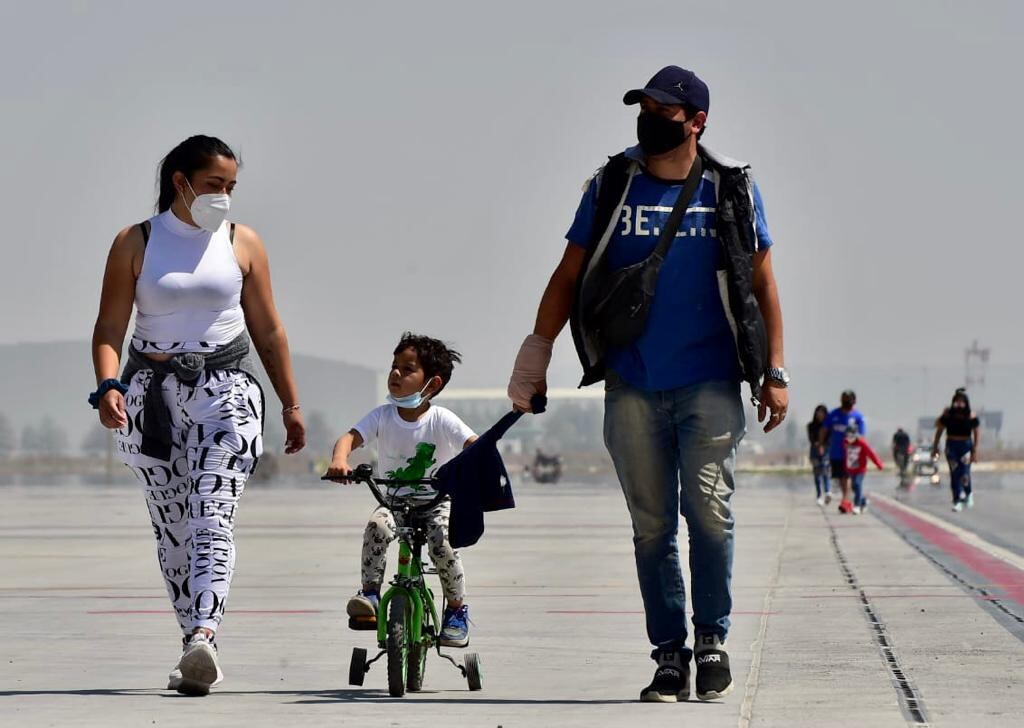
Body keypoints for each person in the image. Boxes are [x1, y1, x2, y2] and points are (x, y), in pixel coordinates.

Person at [507, 65, 788, 703]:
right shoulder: (612, 184)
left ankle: (711, 640)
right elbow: (569, 272)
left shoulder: (731, 188)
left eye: (664, 110)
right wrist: (536, 353)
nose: (650, 118)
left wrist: (775, 369)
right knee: (652, 526)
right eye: (644, 107)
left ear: (697, 120)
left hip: (711, 381)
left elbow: (763, 282)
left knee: (709, 515)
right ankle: (669, 655)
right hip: (632, 382)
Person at [90, 135, 306, 695]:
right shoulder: (136, 241)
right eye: (215, 185)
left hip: (226, 390)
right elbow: (110, 327)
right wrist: (108, 385)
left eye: (232, 187)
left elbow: (269, 330)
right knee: (173, 529)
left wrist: (291, 403)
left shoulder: (243, 242)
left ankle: (205, 633)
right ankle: (193, 643)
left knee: (212, 513)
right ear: (180, 181)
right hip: (149, 397)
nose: (225, 198)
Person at [326, 333, 478, 647]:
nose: (396, 373)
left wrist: (476, 466)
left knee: (442, 544)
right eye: (394, 366)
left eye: (407, 370)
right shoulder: (382, 416)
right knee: (377, 526)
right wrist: (340, 459)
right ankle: (370, 594)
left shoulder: (441, 419)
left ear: (432, 384)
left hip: (436, 501)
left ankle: (456, 610)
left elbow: (473, 445)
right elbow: (348, 439)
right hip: (393, 501)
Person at [932, 388, 980, 511]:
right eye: (957, 402)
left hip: (965, 446)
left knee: (964, 473)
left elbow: (976, 431)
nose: (959, 405)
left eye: (962, 402)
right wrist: (935, 447)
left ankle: (968, 494)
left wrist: (974, 449)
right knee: (954, 473)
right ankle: (957, 500)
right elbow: (939, 430)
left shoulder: (970, 415)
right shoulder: (948, 414)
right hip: (951, 446)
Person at [819, 390, 865, 513]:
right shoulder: (833, 415)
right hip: (836, 452)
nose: (847, 401)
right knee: (841, 478)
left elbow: (862, 435)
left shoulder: (857, 417)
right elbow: (824, 429)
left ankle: (845, 501)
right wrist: (821, 444)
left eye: (849, 399)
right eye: (845, 398)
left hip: (851, 454)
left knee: (848, 477)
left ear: (854, 401)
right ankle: (851, 500)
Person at [842, 424, 883, 514]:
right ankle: (863, 501)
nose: (850, 438)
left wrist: (878, 464)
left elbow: (871, 454)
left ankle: (857, 506)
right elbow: (845, 455)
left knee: (857, 484)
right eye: (848, 436)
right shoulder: (845, 442)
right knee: (854, 487)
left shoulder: (862, 443)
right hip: (851, 469)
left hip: (860, 469)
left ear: (856, 435)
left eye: (852, 436)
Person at [807, 404, 832, 505]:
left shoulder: (829, 426)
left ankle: (827, 492)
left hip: (826, 451)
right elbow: (811, 439)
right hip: (814, 451)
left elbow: (830, 438)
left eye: (822, 412)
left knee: (826, 471)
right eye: (818, 412)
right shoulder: (811, 426)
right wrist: (818, 445)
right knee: (817, 474)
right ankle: (819, 495)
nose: (820, 414)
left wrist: (824, 446)